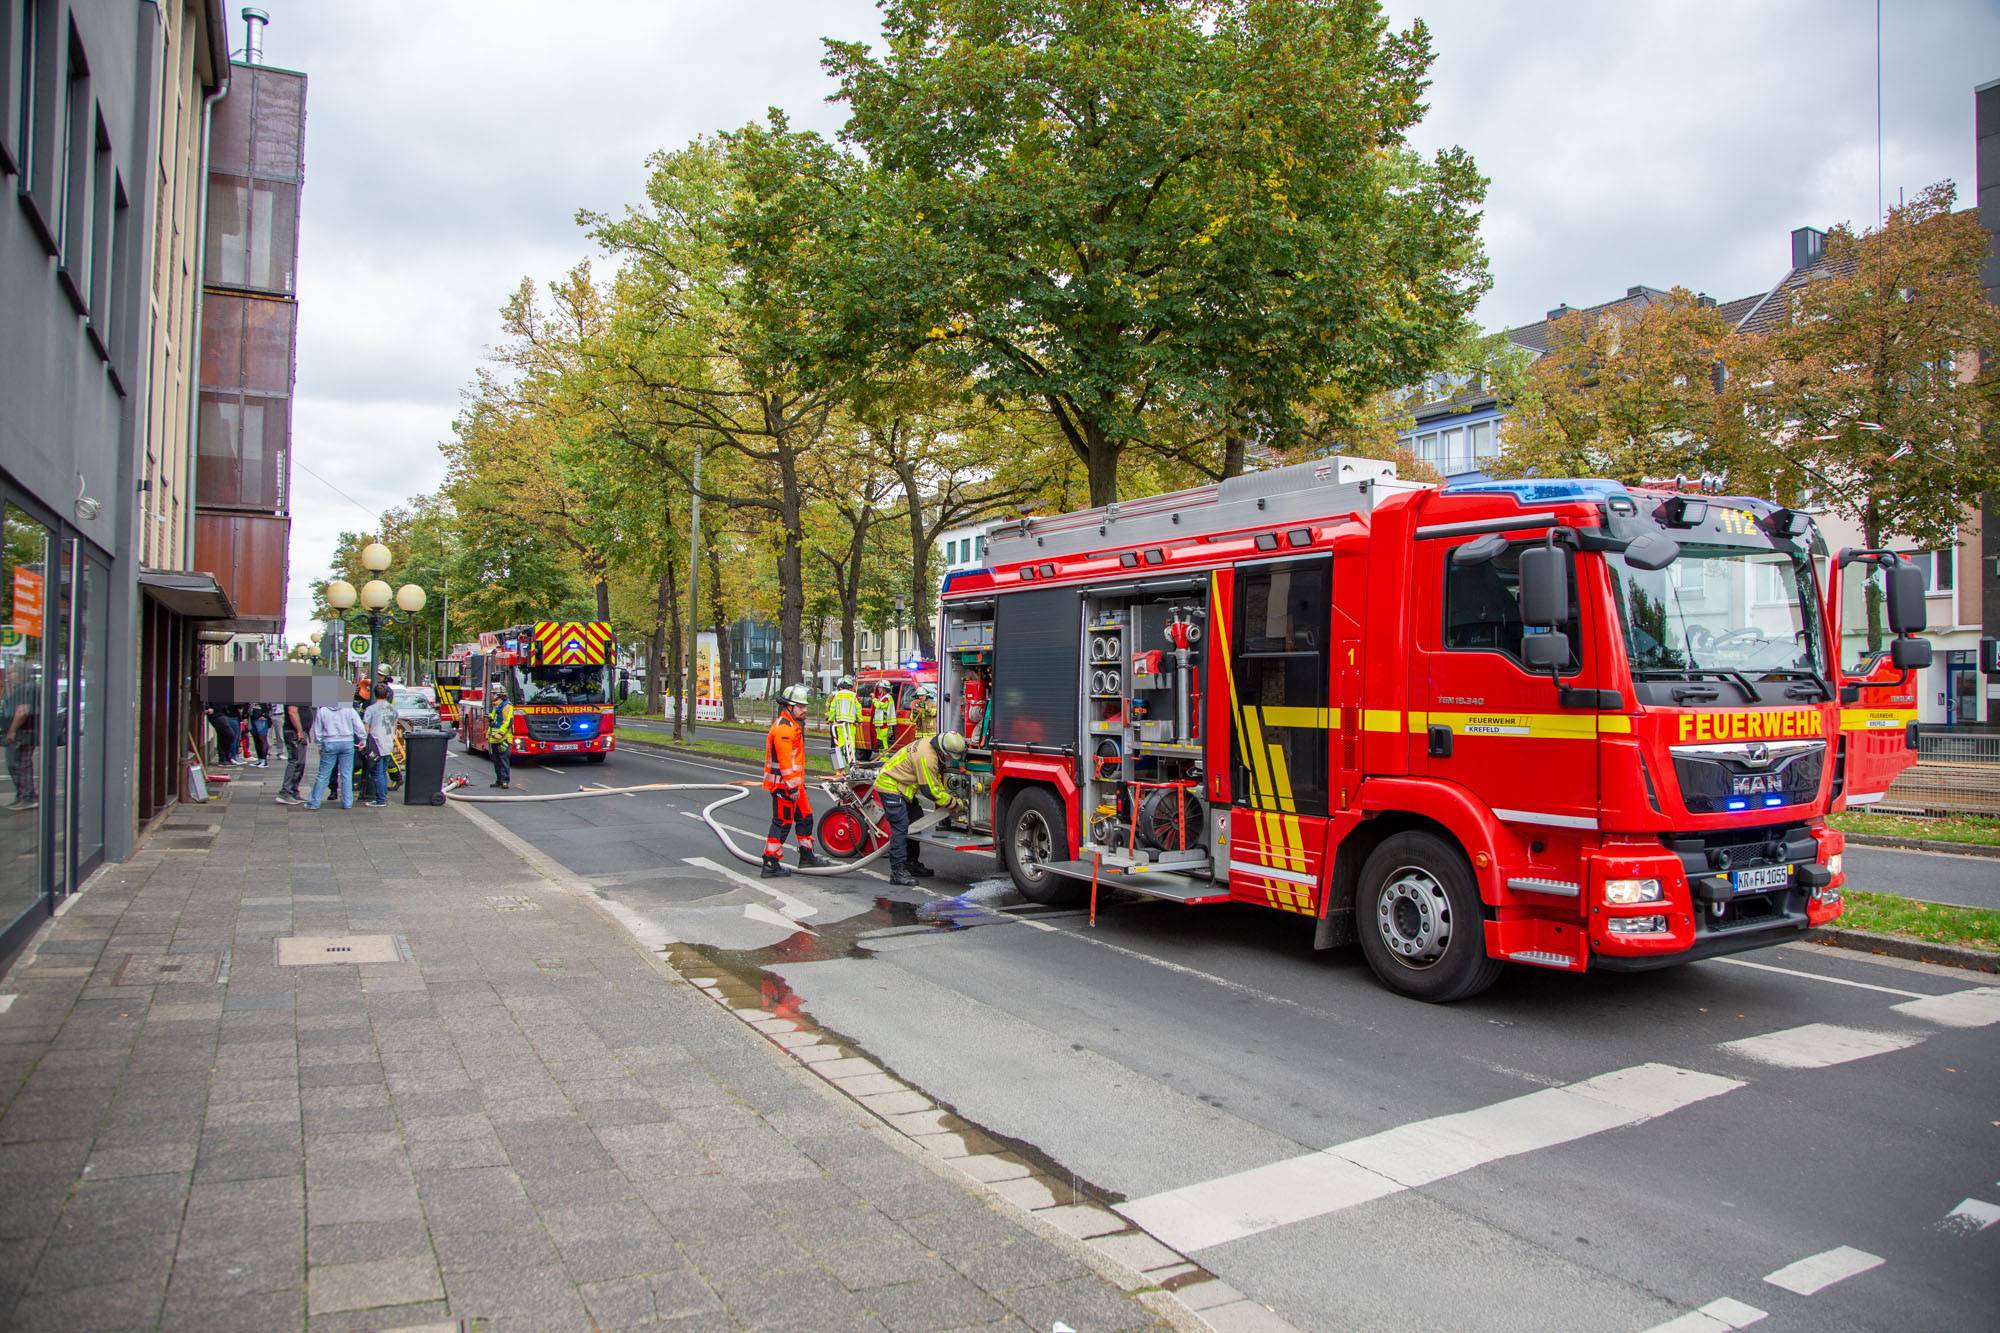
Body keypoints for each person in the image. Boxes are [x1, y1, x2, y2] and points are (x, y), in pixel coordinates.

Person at [874, 730, 967, 887]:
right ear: (943, 751)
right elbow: (930, 791)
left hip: (903, 786)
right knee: (901, 827)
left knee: (916, 821)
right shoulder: (927, 757)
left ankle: (911, 863)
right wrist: (954, 803)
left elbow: (934, 779)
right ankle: (897, 872)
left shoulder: (932, 745)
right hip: (890, 785)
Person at [761, 683, 831, 878]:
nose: (805, 710)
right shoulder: (784, 729)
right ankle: (770, 862)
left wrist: (797, 786)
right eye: (801, 706)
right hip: (784, 786)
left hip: (794, 785)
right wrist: (792, 787)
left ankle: (806, 856)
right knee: (782, 822)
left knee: (805, 817)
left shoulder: (791, 726)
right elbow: (784, 762)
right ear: (789, 707)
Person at [304, 695, 365, 811]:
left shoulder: (323, 711)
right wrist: (363, 739)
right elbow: (359, 726)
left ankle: (314, 802)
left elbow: (318, 731)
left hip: (329, 742)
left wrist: (319, 744)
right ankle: (347, 802)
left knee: (323, 774)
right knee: (346, 774)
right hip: (347, 742)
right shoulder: (349, 710)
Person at [4, 667, 38, 811]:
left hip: (22, 733)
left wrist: (12, 730)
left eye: (13, 671)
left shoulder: (27, 688)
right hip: (22, 732)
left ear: (22, 673)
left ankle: (27, 797)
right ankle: (23, 796)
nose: (10, 675)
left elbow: (23, 710)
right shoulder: (21, 688)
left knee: (20, 764)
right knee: (15, 764)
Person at [274, 696, 316, 805]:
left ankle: (293, 791)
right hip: (294, 733)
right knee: (295, 761)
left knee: (300, 763)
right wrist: (299, 731)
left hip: (299, 733)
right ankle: (285, 792)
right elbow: (292, 711)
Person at [362, 684, 398, 807]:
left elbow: (366, 729)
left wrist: (362, 743)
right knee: (383, 771)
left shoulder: (371, 710)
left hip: (375, 745)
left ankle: (381, 799)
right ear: (387, 694)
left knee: (377, 773)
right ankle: (382, 796)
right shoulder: (393, 710)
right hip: (388, 744)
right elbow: (395, 727)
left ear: (374, 694)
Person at [826, 676, 860, 777]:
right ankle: (851, 768)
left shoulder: (835, 695)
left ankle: (839, 770)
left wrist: (830, 720)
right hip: (851, 724)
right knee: (850, 746)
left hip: (838, 725)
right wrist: (859, 720)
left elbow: (831, 708)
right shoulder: (854, 696)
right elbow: (858, 709)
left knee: (837, 746)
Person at [486, 689, 515, 789]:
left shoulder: (507, 706)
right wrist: (488, 732)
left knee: (503, 760)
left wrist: (500, 734)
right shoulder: (496, 706)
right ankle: (499, 780)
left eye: (493, 693)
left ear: (499, 695)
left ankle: (505, 781)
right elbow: (493, 722)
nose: (491, 695)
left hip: (504, 739)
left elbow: (508, 722)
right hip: (494, 739)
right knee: (496, 760)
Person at [866, 684, 897, 761]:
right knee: (880, 741)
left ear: (884, 689)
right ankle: (882, 757)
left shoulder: (887, 698)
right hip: (880, 724)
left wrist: (874, 699)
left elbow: (878, 705)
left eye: (880, 687)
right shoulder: (883, 697)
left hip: (884, 724)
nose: (878, 689)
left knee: (883, 741)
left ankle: (885, 758)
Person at [247, 702, 272, 768]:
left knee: (262, 739)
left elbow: (268, 706)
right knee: (256, 739)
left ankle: (264, 760)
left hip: (261, 719)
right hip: (252, 717)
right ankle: (260, 759)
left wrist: (265, 715)